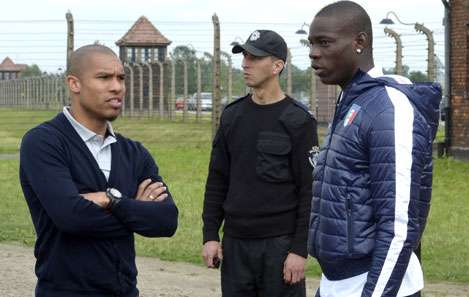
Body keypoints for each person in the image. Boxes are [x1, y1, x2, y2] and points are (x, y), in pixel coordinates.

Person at [19, 44, 179, 297]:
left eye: (121, 78)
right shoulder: (43, 142)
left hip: (125, 291)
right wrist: (135, 211)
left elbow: (166, 220)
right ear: (74, 84)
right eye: (104, 77)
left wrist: (111, 200)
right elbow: (70, 217)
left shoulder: (133, 152)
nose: (117, 87)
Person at [307, 1, 441, 297]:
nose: (313, 53)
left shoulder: (388, 109)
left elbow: (399, 227)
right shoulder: (352, 102)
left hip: (373, 284)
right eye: (311, 43)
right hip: (337, 283)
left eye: (324, 43)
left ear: (359, 42)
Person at [201, 30, 318, 297]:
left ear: (277, 66)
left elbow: (309, 191)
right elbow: (217, 180)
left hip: (279, 246)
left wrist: (299, 250)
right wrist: (210, 235)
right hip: (235, 245)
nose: (245, 63)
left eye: (254, 57)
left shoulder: (299, 121)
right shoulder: (232, 116)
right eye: (244, 56)